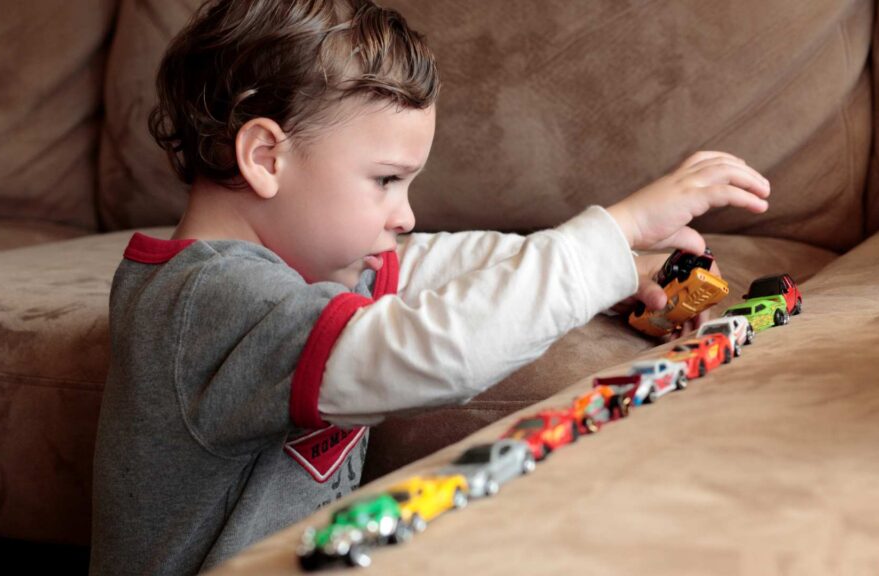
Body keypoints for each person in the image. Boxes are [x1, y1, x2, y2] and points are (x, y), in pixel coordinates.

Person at [89, 0, 771, 574]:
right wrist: (613, 228)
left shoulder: (302, 268)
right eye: (386, 180)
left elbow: (428, 263)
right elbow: (436, 353)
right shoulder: (209, 304)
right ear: (266, 157)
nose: (405, 213)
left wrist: (617, 266)